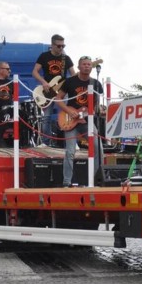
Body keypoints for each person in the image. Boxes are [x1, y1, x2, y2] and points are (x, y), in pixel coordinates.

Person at [56, 56, 103, 187]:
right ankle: (67, 182)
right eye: (84, 64)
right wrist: (69, 111)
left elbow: (96, 105)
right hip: (70, 121)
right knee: (70, 152)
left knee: (98, 148)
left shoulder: (96, 84)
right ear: (78, 66)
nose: (87, 66)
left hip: (87, 120)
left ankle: (96, 179)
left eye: (89, 64)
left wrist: (99, 110)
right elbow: (58, 98)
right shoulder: (70, 81)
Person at [32, 34, 76, 146]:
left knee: (68, 115)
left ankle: (71, 142)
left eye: (63, 46)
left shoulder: (66, 59)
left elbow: (73, 75)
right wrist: (43, 82)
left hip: (63, 91)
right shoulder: (44, 56)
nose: (61, 48)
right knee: (46, 117)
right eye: (59, 46)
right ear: (52, 45)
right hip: (48, 91)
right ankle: (45, 142)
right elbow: (35, 72)